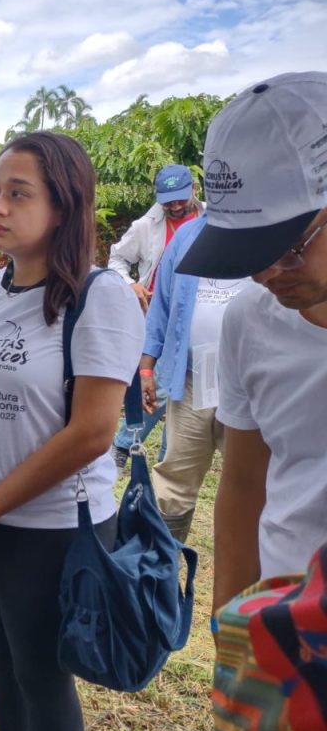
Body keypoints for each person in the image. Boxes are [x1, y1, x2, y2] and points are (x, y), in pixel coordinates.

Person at [0, 132, 144, 731]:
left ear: (64, 205)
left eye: (17, 193)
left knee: (42, 679)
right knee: (0, 665)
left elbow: (92, 431)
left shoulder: (99, 297)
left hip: (51, 528)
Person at [173, 71, 327, 611]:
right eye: (248, 254)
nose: (265, 274)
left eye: (288, 246)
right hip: (288, 637)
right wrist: (232, 637)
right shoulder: (251, 322)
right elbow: (242, 487)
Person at [137, 216, 249, 542]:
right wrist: (147, 367)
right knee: (175, 480)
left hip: (249, 384)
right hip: (192, 378)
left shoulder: (268, 230)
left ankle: (250, 577)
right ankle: (160, 571)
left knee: (252, 481)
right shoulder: (187, 235)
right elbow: (161, 305)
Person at [107, 165, 203, 469]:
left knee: (185, 389)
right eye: (168, 201)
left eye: (180, 199)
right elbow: (116, 258)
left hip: (200, 313)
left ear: (194, 190)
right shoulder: (145, 225)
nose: (175, 206)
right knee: (158, 384)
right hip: (159, 315)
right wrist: (131, 283)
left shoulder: (210, 218)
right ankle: (123, 446)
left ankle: (165, 457)